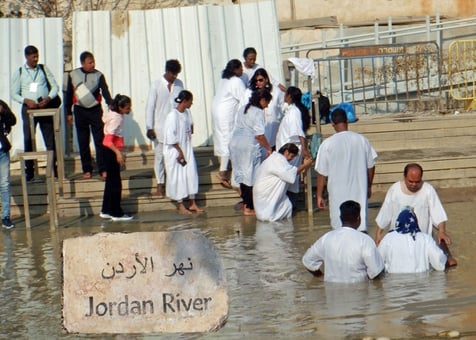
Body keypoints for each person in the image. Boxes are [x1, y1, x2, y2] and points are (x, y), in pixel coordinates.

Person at [375, 163, 457, 266]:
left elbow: (438, 213)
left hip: (422, 240)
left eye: (417, 182)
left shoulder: (428, 190)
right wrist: (378, 234)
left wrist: (442, 231)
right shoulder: (394, 190)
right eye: (410, 181)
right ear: (404, 177)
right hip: (398, 240)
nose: (414, 185)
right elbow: (385, 212)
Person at [315, 108, 377, 232]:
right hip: (359, 192)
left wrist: (319, 196)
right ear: (347, 120)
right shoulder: (362, 140)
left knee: (339, 231)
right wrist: (369, 186)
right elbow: (371, 166)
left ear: (332, 123)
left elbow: (322, 173)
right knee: (360, 230)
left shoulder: (327, 144)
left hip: (337, 194)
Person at [302, 200, 384, 283]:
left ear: (340, 218)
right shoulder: (365, 240)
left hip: (331, 292)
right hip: (358, 292)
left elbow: (307, 261)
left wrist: (320, 277)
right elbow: (376, 272)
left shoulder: (326, 238)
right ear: (358, 218)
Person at [11, 45, 60, 181]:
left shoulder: (43, 69)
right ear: (27, 57)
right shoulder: (20, 72)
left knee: (49, 139)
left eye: (37, 56)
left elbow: (55, 86)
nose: (35, 59)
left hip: (44, 106)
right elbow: (14, 93)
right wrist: (25, 100)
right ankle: (30, 172)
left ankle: (53, 170)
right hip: (29, 108)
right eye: (33, 57)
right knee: (29, 139)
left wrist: (49, 97)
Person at [65, 51, 113, 180]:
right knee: (83, 141)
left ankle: (103, 168)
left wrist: (110, 104)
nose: (92, 65)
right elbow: (68, 95)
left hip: (95, 110)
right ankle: (87, 169)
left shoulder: (98, 75)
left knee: (99, 140)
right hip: (80, 111)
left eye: (93, 62)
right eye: (89, 62)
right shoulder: (73, 75)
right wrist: (68, 112)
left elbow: (105, 91)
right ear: (82, 63)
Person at [229, 88, 272, 215]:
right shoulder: (258, 112)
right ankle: (249, 206)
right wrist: (268, 148)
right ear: (262, 100)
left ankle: (246, 203)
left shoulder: (243, 108)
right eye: (267, 102)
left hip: (235, 143)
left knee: (242, 175)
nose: (267, 105)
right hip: (248, 145)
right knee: (251, 176)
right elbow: (259, 135)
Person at [145, 59, 184, 198]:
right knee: (160, 157)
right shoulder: (156, 85)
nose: (175, 77)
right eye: (173, 74)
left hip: (175, 127)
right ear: (167, 71)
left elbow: (183, 104)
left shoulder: (179, 85)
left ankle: (174, 185)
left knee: (175, 156)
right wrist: (149, 127)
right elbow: (150, 107)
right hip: (159, 127)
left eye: (177, 74)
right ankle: (160, 185)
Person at [163, 90, 204, 215]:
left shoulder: (187, 113)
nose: (192, 103)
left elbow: (190, 128)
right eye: (191, 101)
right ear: (185, 101)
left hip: (186, 147)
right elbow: (170, 136)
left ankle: (192, 203)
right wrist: (179, 152)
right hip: (175, 150)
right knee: (178, 177)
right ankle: (180, 205)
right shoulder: (172, 115)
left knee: (191, 174)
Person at [253, 143, 313, 221]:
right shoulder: (278, 160)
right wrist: (305, 165)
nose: (291, 159)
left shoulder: (274, 158)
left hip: (263, 192)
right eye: (291, 156)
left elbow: (290, 173)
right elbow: (290, 174)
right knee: (269, 216)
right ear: (286, 152)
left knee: (286, 207)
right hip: (266, 193)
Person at [378, 208, 447, 273]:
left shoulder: (388, 238)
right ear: (415, 221)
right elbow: (438, 261)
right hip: (421, 281)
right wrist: (446, 258)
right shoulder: (425, 238)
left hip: (395, 281)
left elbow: (377, 262)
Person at [211, 59, 246, 188]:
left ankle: (227, 165)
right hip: (226, 115)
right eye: (240, 68)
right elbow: (244, 99)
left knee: (223, 139)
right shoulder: (236, 81)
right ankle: (223, 173)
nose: (242, 71)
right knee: (228, 140)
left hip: (217, 112)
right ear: (235, 69)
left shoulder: (223, 80)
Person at [275, 86, 312, 205]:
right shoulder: (291, 110)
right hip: (286, 150)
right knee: (288, 178)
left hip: (291, 150)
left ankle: (292, 205)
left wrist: (305, 149)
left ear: (289, 97)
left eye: (286, 94)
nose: (284, 96)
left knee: (290, 179)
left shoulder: (295, 112)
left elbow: (299, 132)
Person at [99, 94, 133, 222]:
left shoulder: (112, 114)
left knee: (110, 182)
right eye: (127, 108)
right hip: (111, 151)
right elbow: (107, 140)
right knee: (115, 183)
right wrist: (118, 153)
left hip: (108, 151)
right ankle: (116, 212)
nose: (129, 110)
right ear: (120, 107)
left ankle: (106, 210)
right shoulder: (117, 118)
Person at [242, 68, 285, 157]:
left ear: (266, 79)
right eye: (256, 81)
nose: (258, 83)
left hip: (272, 129)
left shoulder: (276, 92)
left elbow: (283, 108)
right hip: (254, 133)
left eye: (261, 80)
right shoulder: (248, 93)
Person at [0, 100, 17, 229]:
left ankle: (6, 216)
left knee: (5, 183)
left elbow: (12, 121)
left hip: (2, 151)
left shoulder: (1, 104)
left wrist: (3, 111)